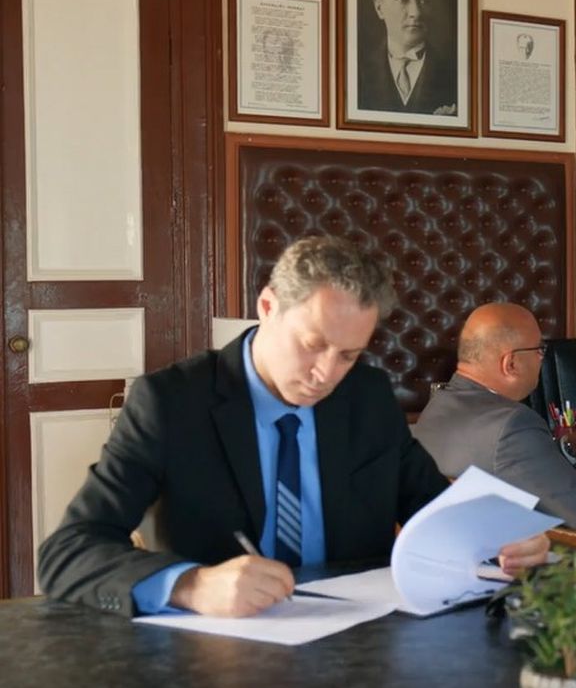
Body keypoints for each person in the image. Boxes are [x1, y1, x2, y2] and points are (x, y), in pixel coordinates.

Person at [36, 236, 550, 618]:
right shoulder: (171, 403)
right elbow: (67, 552)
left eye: (348, 355)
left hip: (360, 646)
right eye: (312, 344)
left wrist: (502, 541)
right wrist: (190, 585)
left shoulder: (367, 396)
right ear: (267, 307)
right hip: (216, 658)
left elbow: (433, 508)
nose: (326, 374)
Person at [414, 303, 576, 531]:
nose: (541, 358)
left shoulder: (438, 405)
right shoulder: (514, 423)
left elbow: (506, 465)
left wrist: (569, 446)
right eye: (539, 349)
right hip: (509, 551)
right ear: (510, 363)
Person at [356, 0, 458, 115]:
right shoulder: (358, 71)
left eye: (422, 0)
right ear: (379, 7)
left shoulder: (454, 73)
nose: (415, 12)